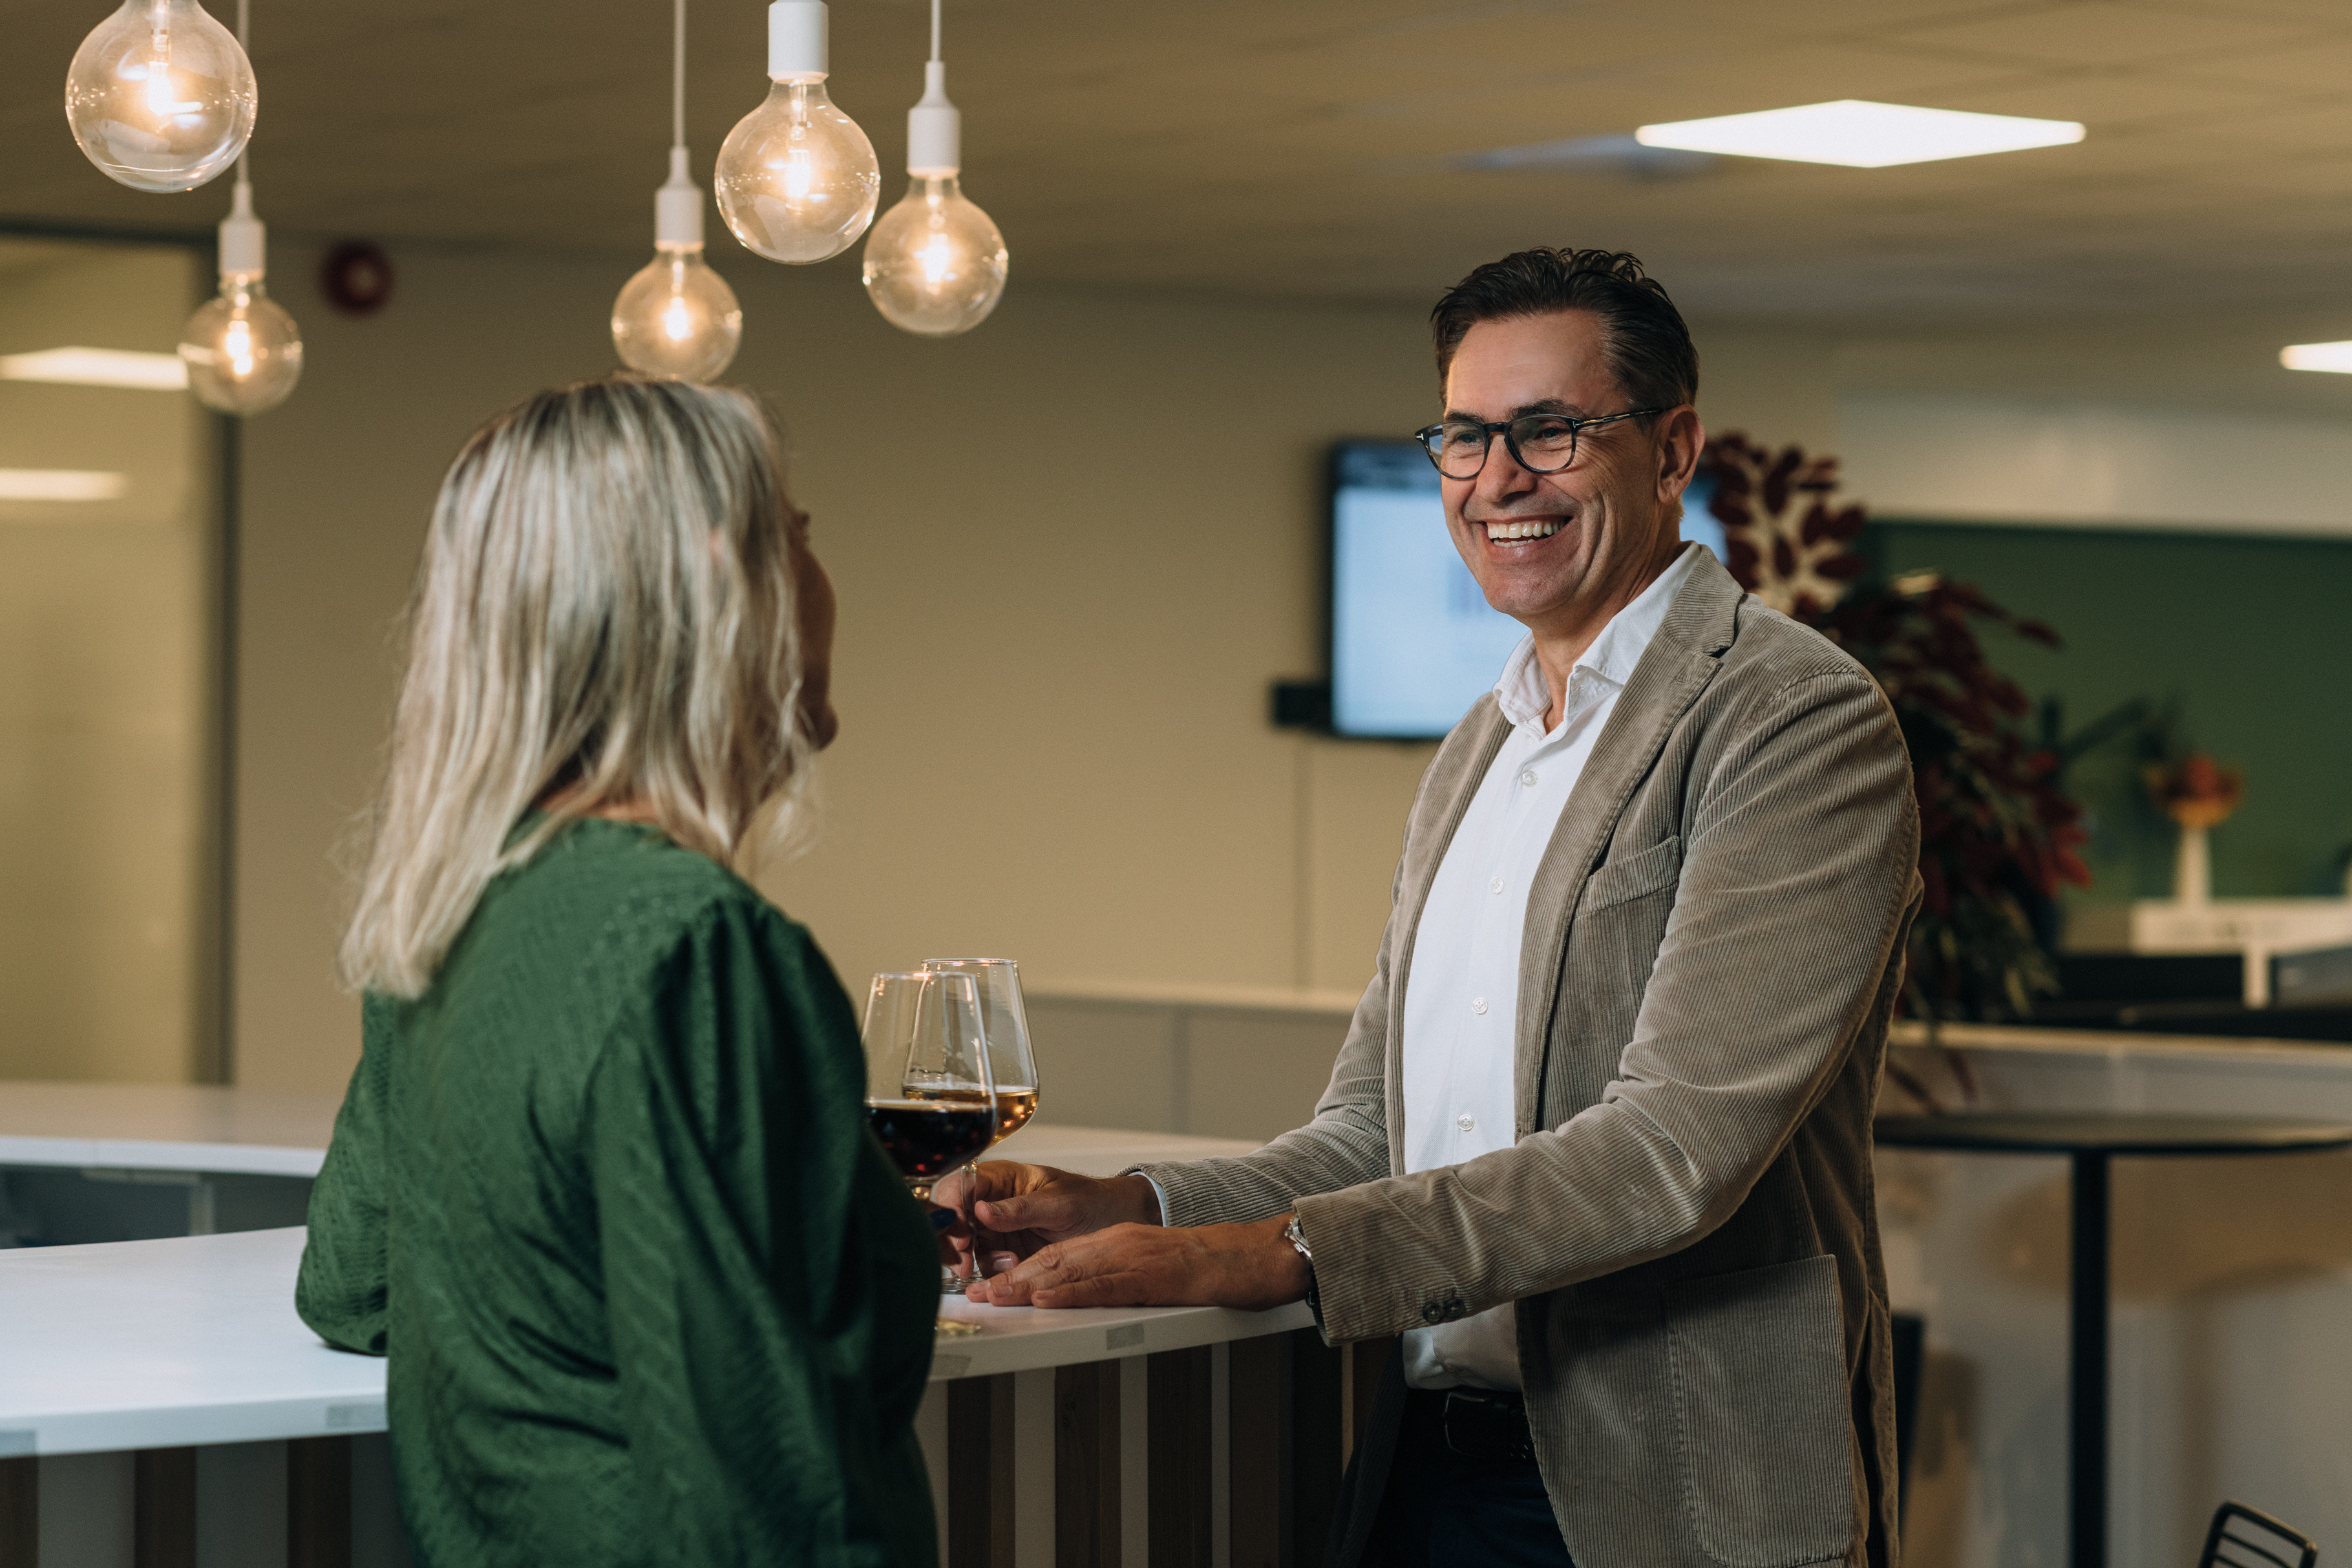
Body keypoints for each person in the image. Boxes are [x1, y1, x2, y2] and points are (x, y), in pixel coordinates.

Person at [946, 250, 1922, 1568]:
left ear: (1670, 445)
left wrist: (1270, 1256)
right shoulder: (1480, 745)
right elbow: (1372, 1133)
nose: (1496, 479)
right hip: (1426, 1459)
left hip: (1672, 1479)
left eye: (1549, 430)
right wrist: (1129, 1205)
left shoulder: (1791, 718)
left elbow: (1669, 1148)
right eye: (1463, 436)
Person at [297, 376, 942, 1568]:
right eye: (796, 539)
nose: (818, 579)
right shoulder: (692, 947)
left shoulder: (457, 904)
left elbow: (354, 1287)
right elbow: (763, 1513)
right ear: (717, 581)